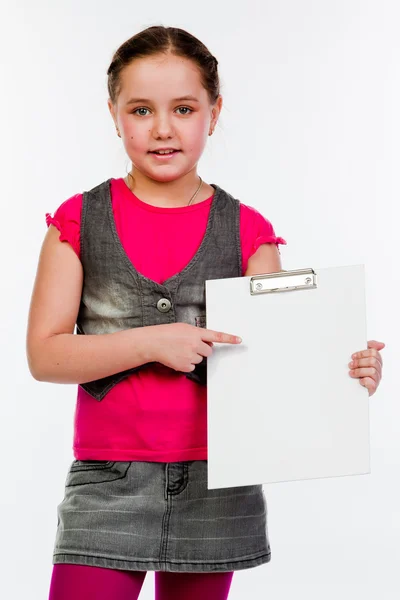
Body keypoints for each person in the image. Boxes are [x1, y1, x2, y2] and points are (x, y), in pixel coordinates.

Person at [26, 25, 385, 600]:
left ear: (214, 114)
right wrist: (151, 342)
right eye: (141, 109)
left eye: (184, 108)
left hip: (219, 483)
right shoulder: (79, 220)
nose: (163, 128)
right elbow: (44, 355)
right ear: (114, 114)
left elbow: (279, 362)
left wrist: (345, 373)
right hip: (107, 481)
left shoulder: (248, 232)